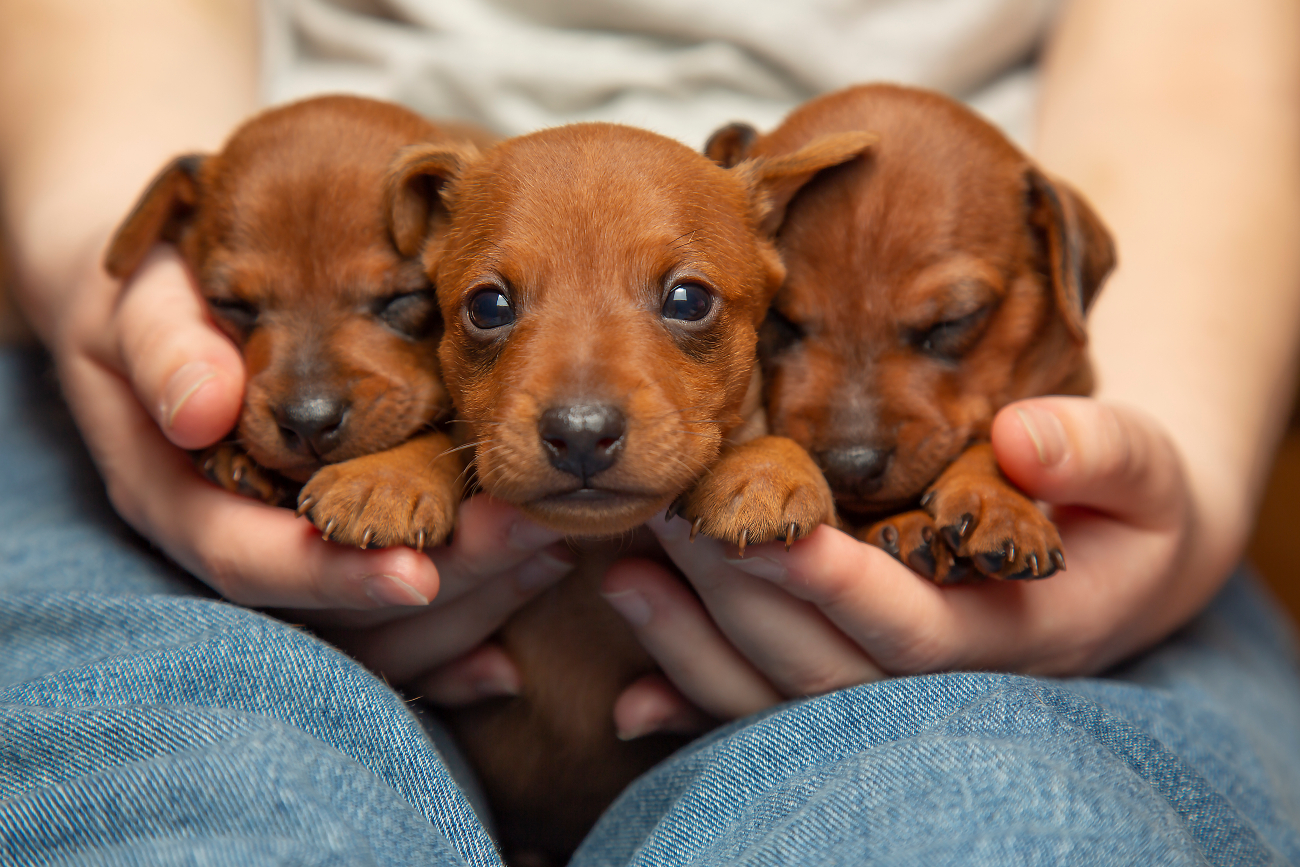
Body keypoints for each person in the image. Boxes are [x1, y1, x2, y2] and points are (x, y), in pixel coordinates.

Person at [1, 0, 1298, 863]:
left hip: (1103, 408)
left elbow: (1197, 77)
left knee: (988, 816)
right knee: (203, 789)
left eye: (690, 305)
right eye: (484, 302)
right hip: (176, 401)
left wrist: (1168, 459)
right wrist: (115, 294)